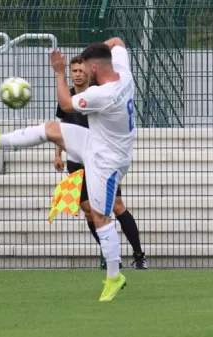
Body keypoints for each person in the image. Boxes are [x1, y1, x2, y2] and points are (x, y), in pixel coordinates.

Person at [0, 37, 135, 302]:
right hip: (96, 142)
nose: (82, 73)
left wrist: (60, 72)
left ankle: (113, 276)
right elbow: (117, 41)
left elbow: (65, 104)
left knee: (100, 218)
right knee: (50, 129)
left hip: (107, 161)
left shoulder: (102, 95)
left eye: (85, 68)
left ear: (95, 69)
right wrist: (88, 52)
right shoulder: (122, 69)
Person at [54, 55, 148, 270]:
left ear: (89, 71)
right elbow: (62, 125)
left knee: (117, 206)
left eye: (81, 70)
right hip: (76, 161)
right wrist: (58, 153)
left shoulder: (99, 94)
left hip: (100, 160)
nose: (77, 74)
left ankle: (139, 254)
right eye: (74, 71)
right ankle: (112, 257)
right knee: (88, 211)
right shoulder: (66, 96)